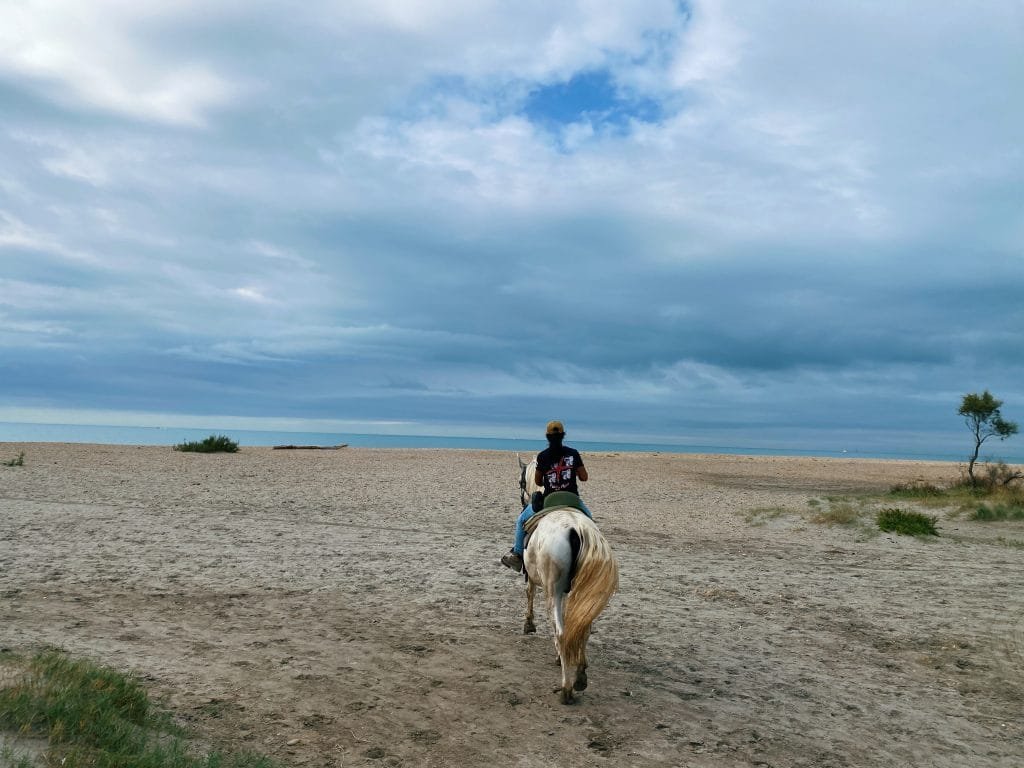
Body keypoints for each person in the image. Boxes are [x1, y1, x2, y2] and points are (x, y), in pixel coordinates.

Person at [501, 420, 592, 573]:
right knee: (590, 520)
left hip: (550, 501)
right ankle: (592, 556)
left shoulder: (543, 457)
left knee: (521, 520)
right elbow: (584, 477)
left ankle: (516, 554)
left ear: (547, 437)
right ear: (563, 436)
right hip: (572, 499)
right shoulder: (573, 453)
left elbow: (537, 481)